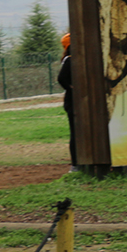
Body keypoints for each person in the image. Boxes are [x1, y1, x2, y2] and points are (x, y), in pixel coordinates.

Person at [57, 31, 75, 170]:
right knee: (75, 133)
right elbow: (61, 79)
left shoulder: (69, 59)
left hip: (72, 101)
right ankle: (76, 164)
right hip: (73, 102)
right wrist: (72, 89)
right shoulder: (70, 60)